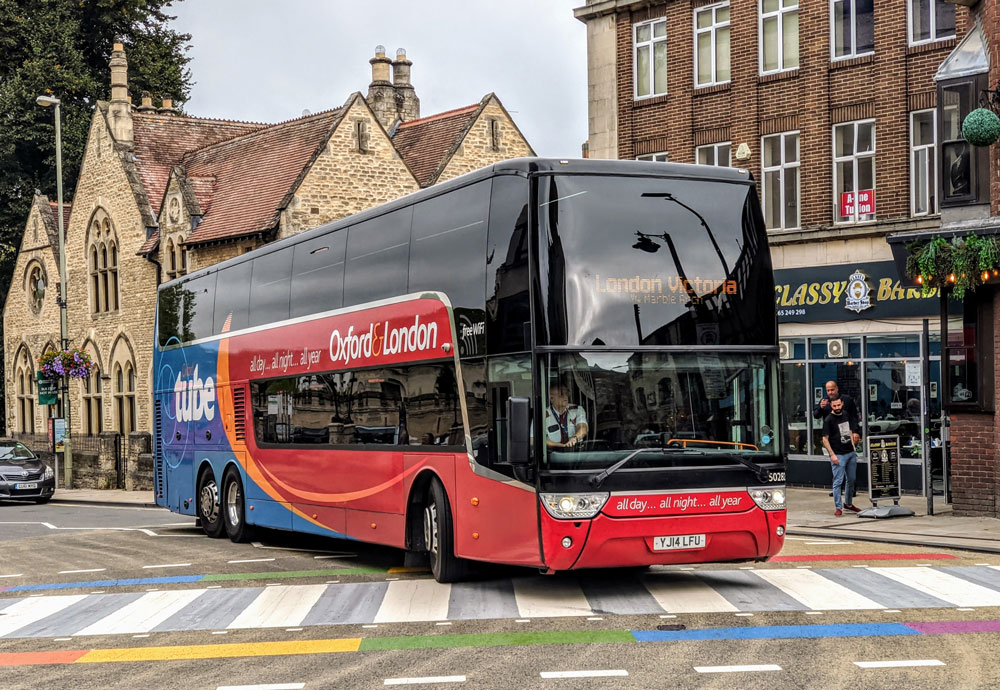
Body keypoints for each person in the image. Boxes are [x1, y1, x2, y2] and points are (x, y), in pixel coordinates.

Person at [822, 397, 862, 516]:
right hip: (838, 454)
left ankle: (848, 504)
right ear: (831, 405)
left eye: (839, 405)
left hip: (850, 452)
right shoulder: (828, 420)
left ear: (842, 404)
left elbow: (849, 430)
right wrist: (832, 455)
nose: (837, 408)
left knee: (851, 479)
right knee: (838, 481)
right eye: (834, 406)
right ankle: (838, 507)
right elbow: (825, 439)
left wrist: (853, 446)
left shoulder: (845, 414)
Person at [813, 380, 861, 447]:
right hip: (831, 434)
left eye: (832, 390)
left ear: (837, 389)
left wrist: (855, 431)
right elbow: (816, 415)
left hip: (845, 433)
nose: (830, 392)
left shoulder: (847, 400)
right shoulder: (824, 401)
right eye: (828, 390)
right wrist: (820, 408)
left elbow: (854, 418)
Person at [545, 382, 588, 448]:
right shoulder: (543, 414)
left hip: (576, 450)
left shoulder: (577, 409)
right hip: (553, 451)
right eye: (561, 394)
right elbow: (534, 439)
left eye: (566, 393)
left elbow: (583, 428)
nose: (565, 396)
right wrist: (561, 446)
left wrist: (575, 438)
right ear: (551, 398)